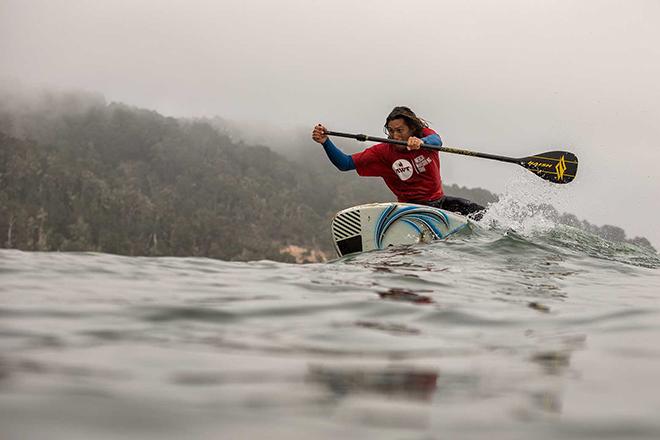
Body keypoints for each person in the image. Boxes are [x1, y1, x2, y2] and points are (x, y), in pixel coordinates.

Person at [312, 106, 485, 218]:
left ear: (412, 129)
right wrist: (325, 142)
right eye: (391, 131)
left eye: (400, 131)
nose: (395, 136)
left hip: (438, 203)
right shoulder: (382, 153)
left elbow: (437, 141)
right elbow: (345, 164)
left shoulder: (424, 135)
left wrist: (421, 143)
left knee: (480, 212)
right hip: (409, 209)